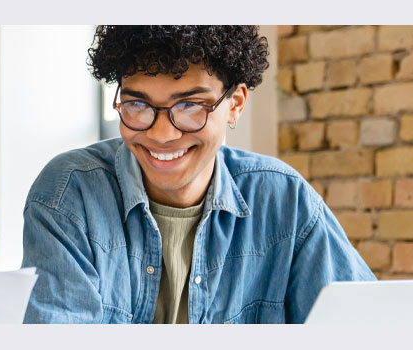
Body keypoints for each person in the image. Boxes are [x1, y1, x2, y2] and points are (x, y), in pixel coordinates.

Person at [21, 25, 374, 324]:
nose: (161, 134)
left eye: (189, 106)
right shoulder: (69, 195)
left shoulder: (287, 202)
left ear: (235, 104)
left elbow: (365, 329)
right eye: (138, 105)